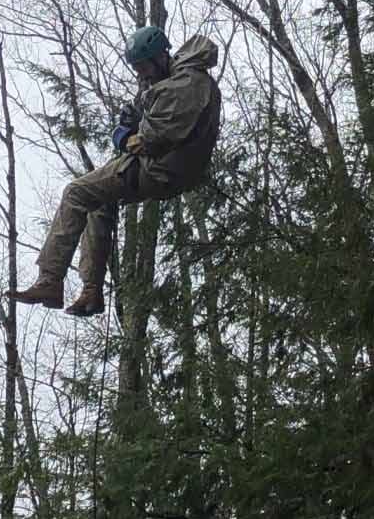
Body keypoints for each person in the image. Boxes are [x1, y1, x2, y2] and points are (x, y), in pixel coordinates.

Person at [13, 26, 221, 317]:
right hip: (170, 170)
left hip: (158, 170)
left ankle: (49, 280)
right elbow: (149, 108)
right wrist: (134, 114)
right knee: (97, 203)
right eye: (137, 69)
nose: (142, 74)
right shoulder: (175, 81)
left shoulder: (186, 84)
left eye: (144, 66)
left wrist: (124, 136)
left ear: (161, 56)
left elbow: (149, 140)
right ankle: (91, 293)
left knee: (75, 193)